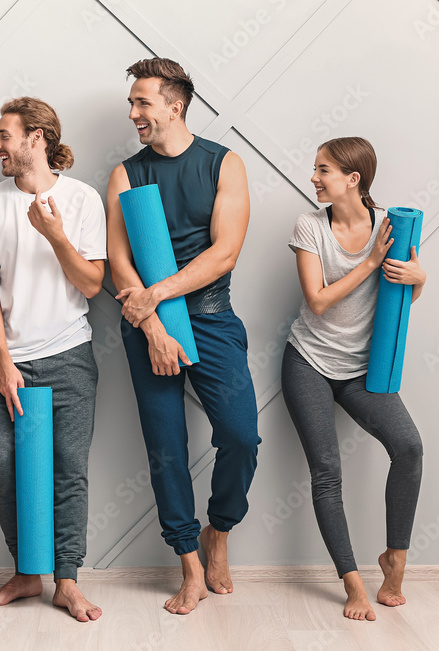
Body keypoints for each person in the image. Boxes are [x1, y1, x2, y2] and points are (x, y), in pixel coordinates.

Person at [105, 58, 261, 615]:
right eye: (131, 103)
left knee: (241, 435)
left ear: (174, 107)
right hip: (144, 324)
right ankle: (189, 565)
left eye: (142, 102)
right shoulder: (126, 173)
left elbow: (225, 253)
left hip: (212, 316)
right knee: (167, 449)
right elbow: (119, 266)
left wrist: (157, 294)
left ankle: (218, 531)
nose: (133, 113)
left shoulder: (225, 164)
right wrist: (150, 324)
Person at [0, 97, 106, 622]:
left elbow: (92, 284)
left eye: (5, 135)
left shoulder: (84, 199)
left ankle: (66, 581)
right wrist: (3, 363)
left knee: (69, 471)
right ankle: (27, 574)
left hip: (69, 354)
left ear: (37, 138)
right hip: (0, 360)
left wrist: (54, 235)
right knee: (5, 467)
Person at [281, 137, 425, 621]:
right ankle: (352, 584)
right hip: (310, 363)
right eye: (315, 168)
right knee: (327, 472)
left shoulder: (390, 227)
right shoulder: (309, 226)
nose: (314, 177)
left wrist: (419, 280)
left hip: (363, 371)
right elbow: (317, 301)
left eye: (323, 169)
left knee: (409, 446)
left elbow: (398, 299)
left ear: (352, 179)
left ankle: (395, 557)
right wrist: (368, 263)